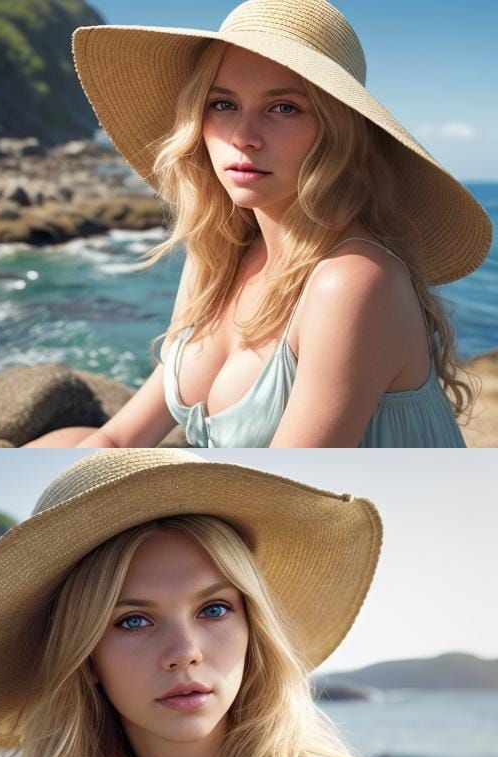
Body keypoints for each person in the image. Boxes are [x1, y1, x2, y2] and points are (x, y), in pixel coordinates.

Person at [0, 450, 442, 757]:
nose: (184, 653)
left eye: (214, 609)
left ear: (253, 628)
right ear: (85, 659)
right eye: (133, 621)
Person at [26, 0, 490, 447]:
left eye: (283, 107)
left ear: (339, 133)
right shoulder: (217, 256)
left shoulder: (352, 282)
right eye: (223, 104)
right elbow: (119, 436)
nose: (243, 137)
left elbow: (287, 483)